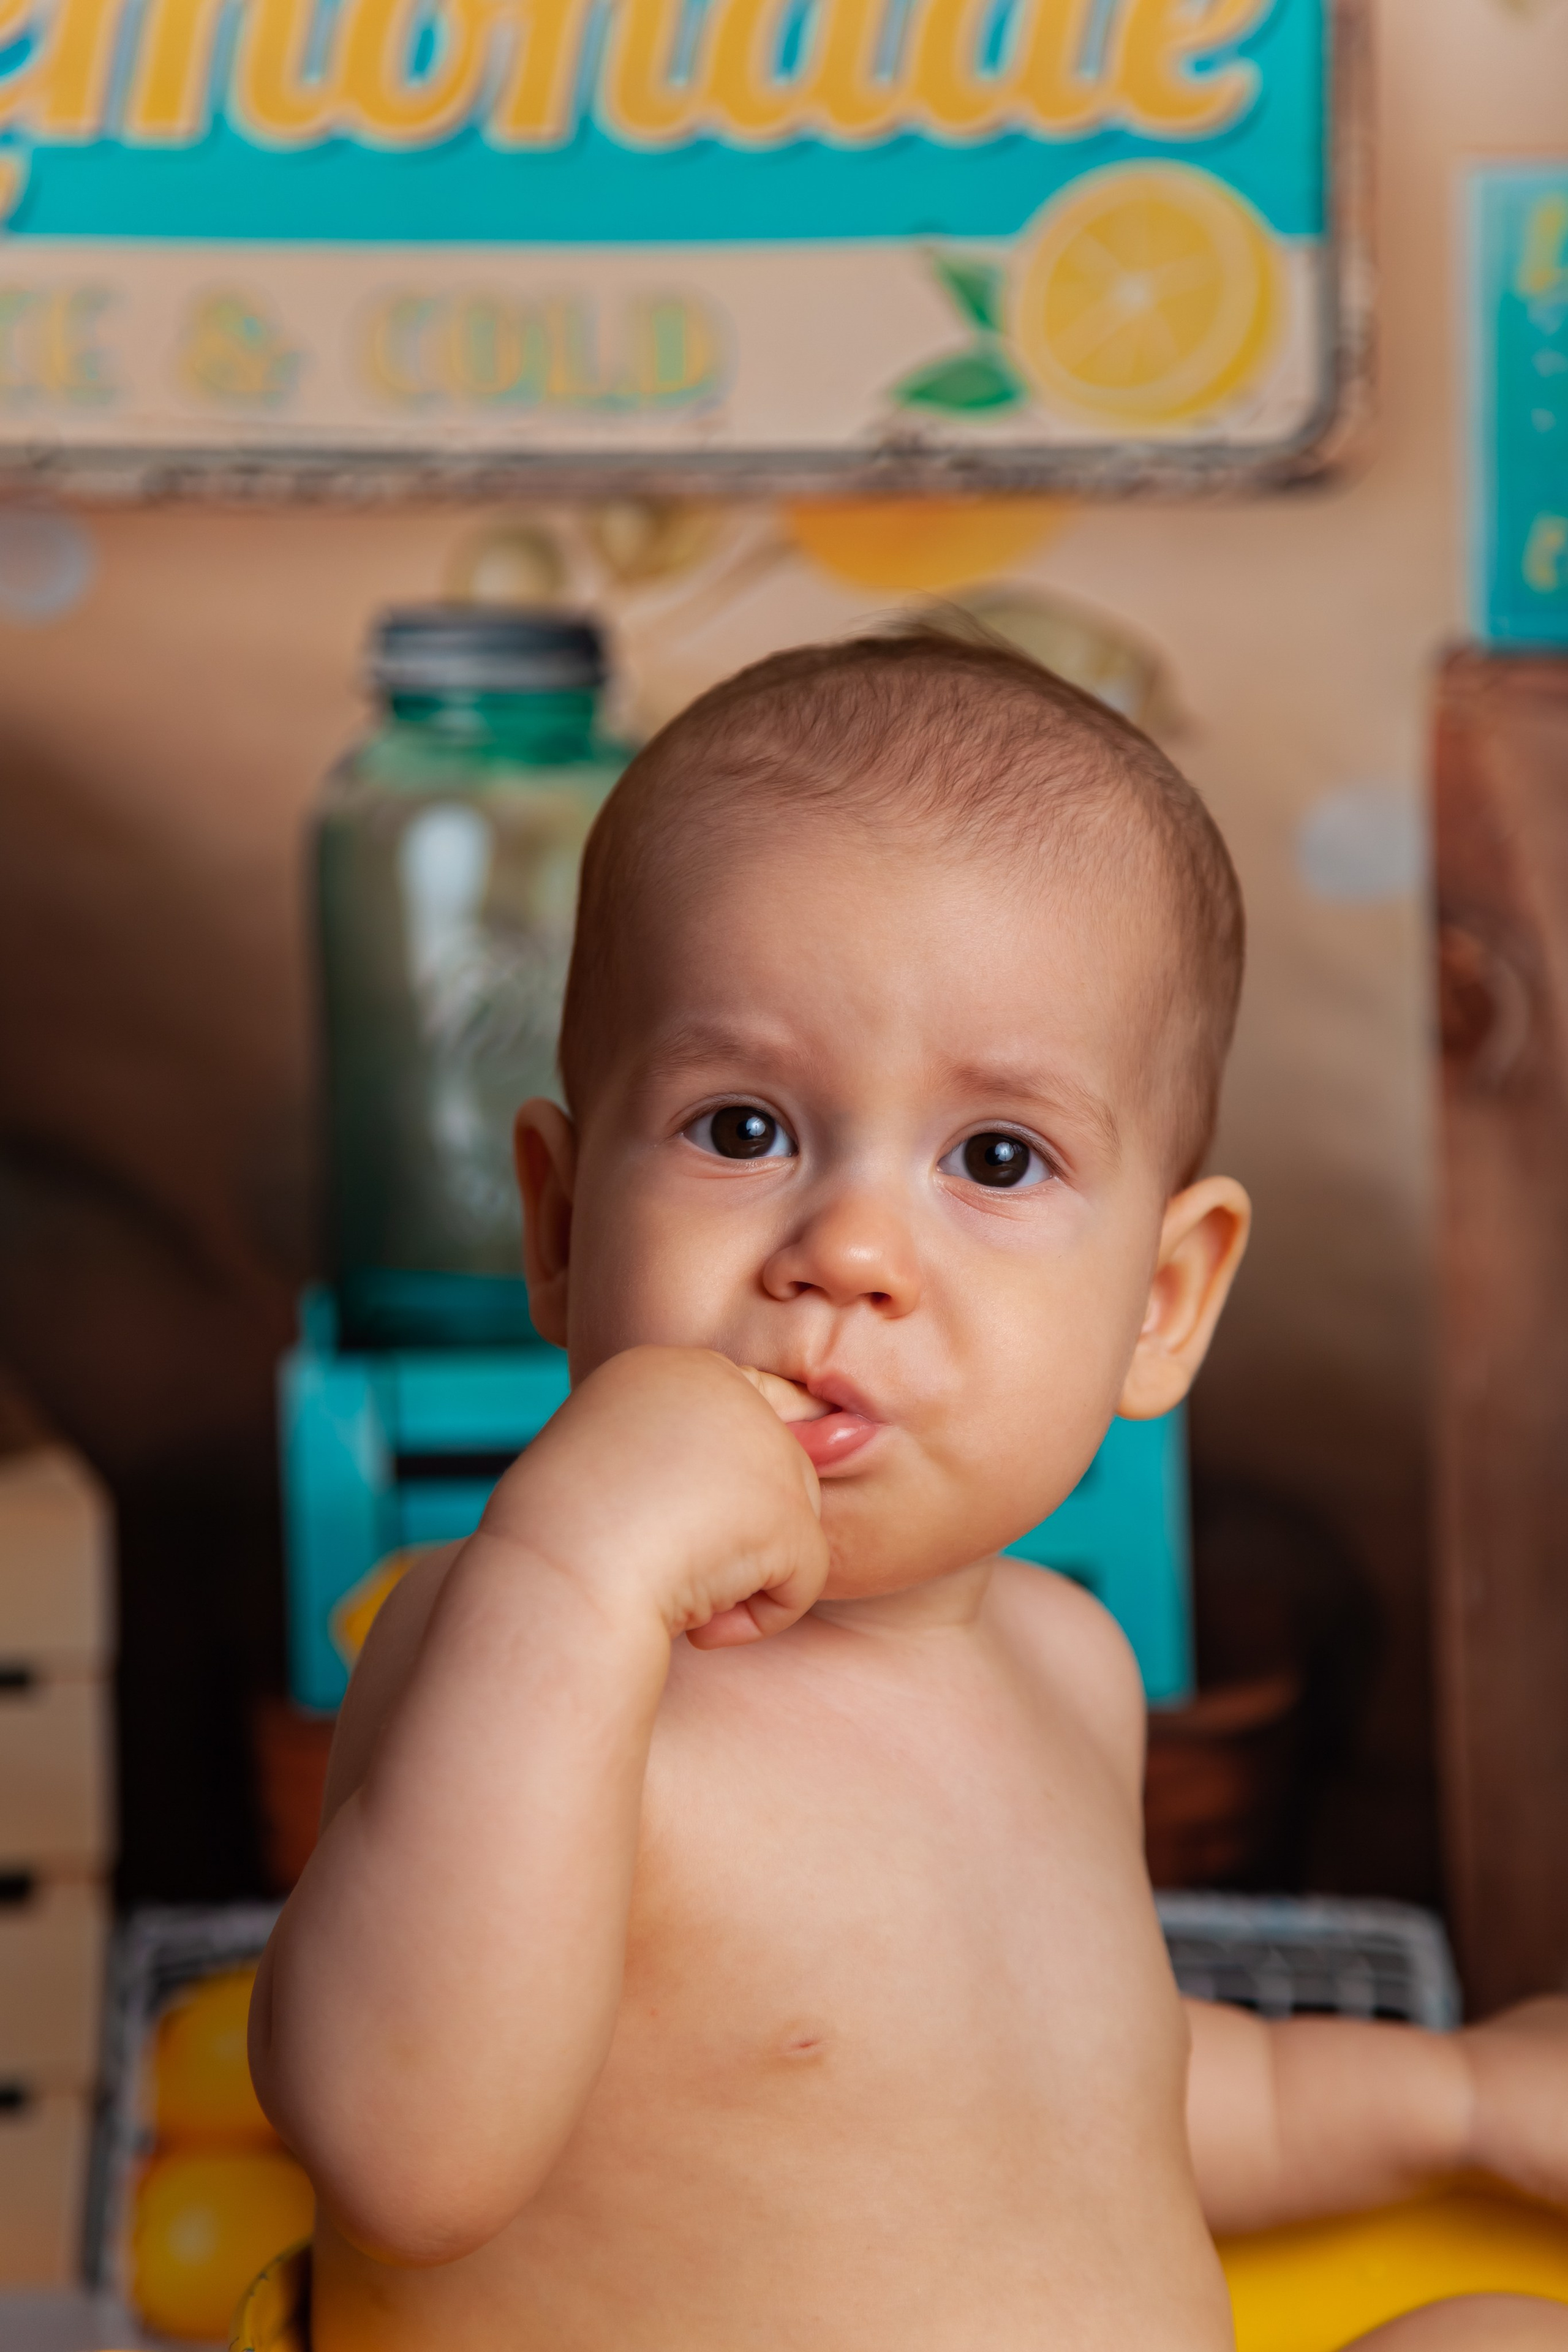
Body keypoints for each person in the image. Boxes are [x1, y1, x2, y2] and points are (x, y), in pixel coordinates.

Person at [251, 634, 1568, 2352]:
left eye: (995, 1158)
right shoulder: (518, 1656)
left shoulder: (1067, 1668)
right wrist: (568, 1575)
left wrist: (1454, 2101)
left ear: (1161, 1305)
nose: (852, 1250)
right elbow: (395, 2147)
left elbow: (1088, 2111)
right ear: (560, 1231)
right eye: (741, 1130)